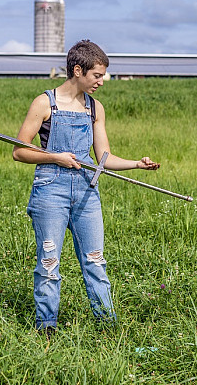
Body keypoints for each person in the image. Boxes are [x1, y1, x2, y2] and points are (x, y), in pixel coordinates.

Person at [13, 39, 160, 336]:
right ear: (78, 70)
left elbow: (103, 158)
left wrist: (136, 164)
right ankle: (46, 328)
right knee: (49, 263)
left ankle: (107, 329)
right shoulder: (45, 103)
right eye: (97, 75)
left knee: (95, 262)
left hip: (86, 193)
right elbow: (19, 150)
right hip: (50, 191)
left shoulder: (95, 108)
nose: (101, 82)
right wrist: (55, 157)